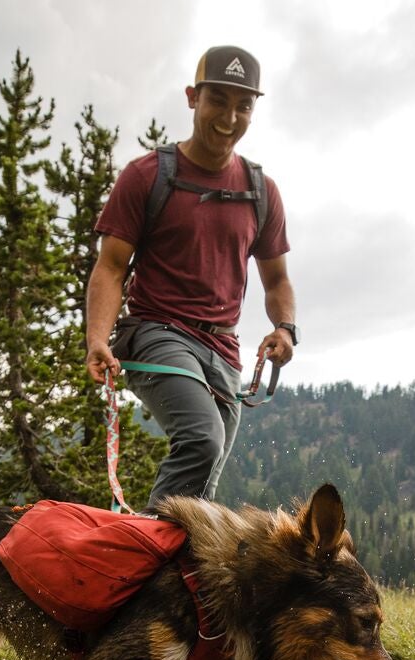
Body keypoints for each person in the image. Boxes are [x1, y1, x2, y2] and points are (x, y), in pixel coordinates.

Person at [85, 45, 298, 511]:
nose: (229, 116)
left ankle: (174, 576)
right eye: (217, 100)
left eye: (243, 105)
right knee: (203, 440)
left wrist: (285, 328)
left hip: (223, 349)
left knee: (203, 487)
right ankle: (143, 563)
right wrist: (97, 339)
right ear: (191, 98)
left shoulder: (261, 192)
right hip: (157, 334)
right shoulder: (147, 176)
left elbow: (277, 280)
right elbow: (111, 266)